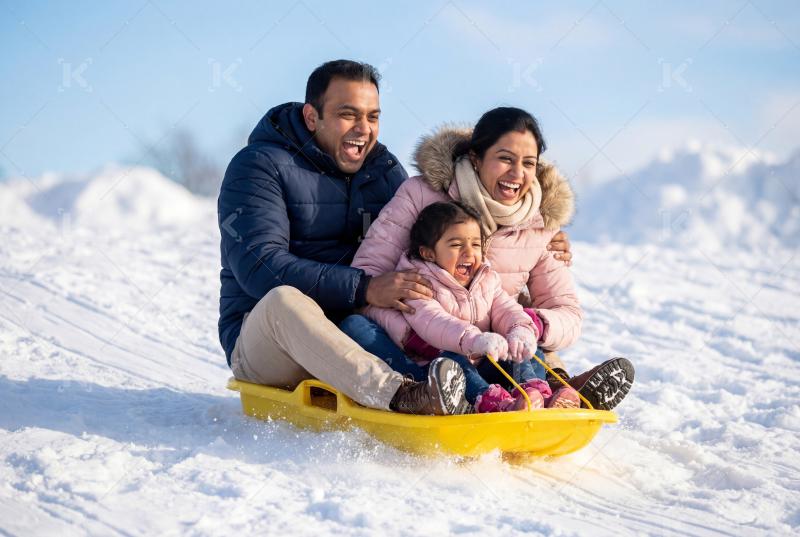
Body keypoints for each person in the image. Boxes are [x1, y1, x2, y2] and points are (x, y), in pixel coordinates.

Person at [347, 107, 634, 410]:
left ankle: (550, 393)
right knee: (356, 327)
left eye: (528, 163)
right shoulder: (422, 194)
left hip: (495, 345)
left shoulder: (540, 223)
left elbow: (567, 313)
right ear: (475, 158)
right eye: (505, 159)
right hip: (423, 343)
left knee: (529, 348)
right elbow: (366, 280)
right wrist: (415, 335)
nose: (517, 174)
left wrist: (528, 324)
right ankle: (422, 390)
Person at [358, 200, 581, 412]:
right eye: (456, 245)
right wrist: (473, 339)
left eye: (475, 244)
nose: (469, 252)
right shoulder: (417, 284)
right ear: (428, 253)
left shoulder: (486, 278)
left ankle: (537, 394)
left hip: (482, 357)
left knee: (524, 351)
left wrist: (520, 328)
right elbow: (434, 322)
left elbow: (505, 308)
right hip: (439, 367)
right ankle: (494, 403)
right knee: (453, 362)